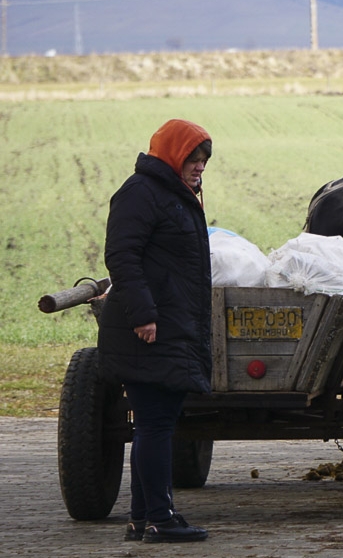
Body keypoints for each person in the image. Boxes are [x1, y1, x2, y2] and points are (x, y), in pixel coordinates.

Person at [98, 119, 214, 543]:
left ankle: (141, 517)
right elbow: (121, 256)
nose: (199, 167)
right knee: (155, 424)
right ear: (172, 155)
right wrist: (143, 315)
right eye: (192, 159)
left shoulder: (173, 195)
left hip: (169, 325)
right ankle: (161, 519)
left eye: (203, 161)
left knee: (154, 422)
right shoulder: (141, 193)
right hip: (147, 329)